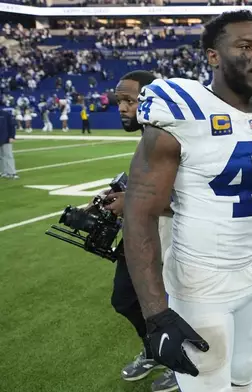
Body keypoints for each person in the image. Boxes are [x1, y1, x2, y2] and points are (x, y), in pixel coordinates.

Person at [123, 10, 252, 392]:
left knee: (245, 378)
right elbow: (139, 213)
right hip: (200, 282)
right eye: (245, 46)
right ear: (213, 56)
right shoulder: (181, 108)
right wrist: (156, 315)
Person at [108, 70, 180, 392]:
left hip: (172, 236)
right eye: (119, 101)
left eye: (129, 100)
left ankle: (181, 366)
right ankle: (154, 349)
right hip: (142, 229)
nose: (122, 108)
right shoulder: (148, 136)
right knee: (124, 298)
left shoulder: (173, 136)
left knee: (174, 304)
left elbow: (186, 200)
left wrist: (133, 202)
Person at [0, 108, 18, 179]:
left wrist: (12, 136)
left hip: (6, 138)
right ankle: (3, 172)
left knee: (8, 155)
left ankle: (12, 173)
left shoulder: (6, 114)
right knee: (1, 157)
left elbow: (12, 126)